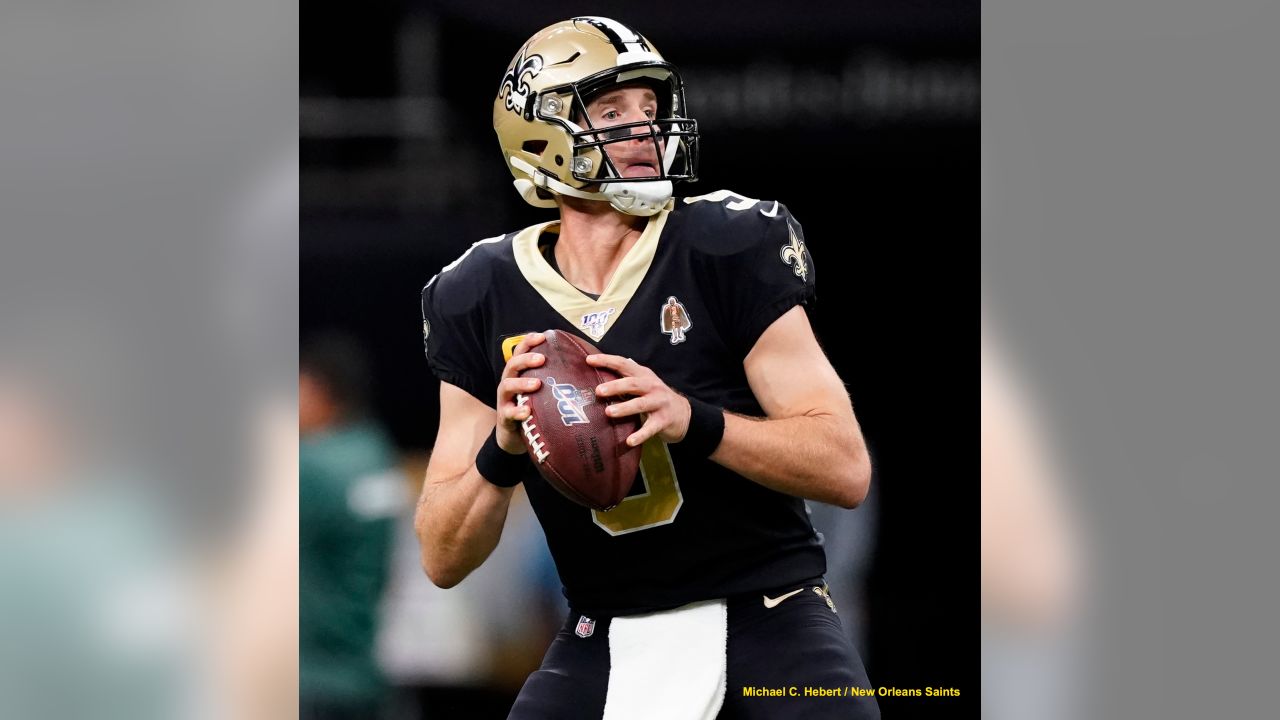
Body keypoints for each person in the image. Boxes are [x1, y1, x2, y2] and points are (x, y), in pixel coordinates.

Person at [417, 17, 878, 720]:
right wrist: (502, 450)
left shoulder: (724, 244)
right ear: (539, 133)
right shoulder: (478, 293)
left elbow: (844, 467)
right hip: (601, 632)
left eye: (650, 111)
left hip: (767, 619)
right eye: (611, 112)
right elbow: (442, 558)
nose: (643, 130)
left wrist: (693, 420)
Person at [300, 333, 405, 719]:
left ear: (319, 391)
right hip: (366, 666)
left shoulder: (310, 466)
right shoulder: (376, 453)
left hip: (312, 674)